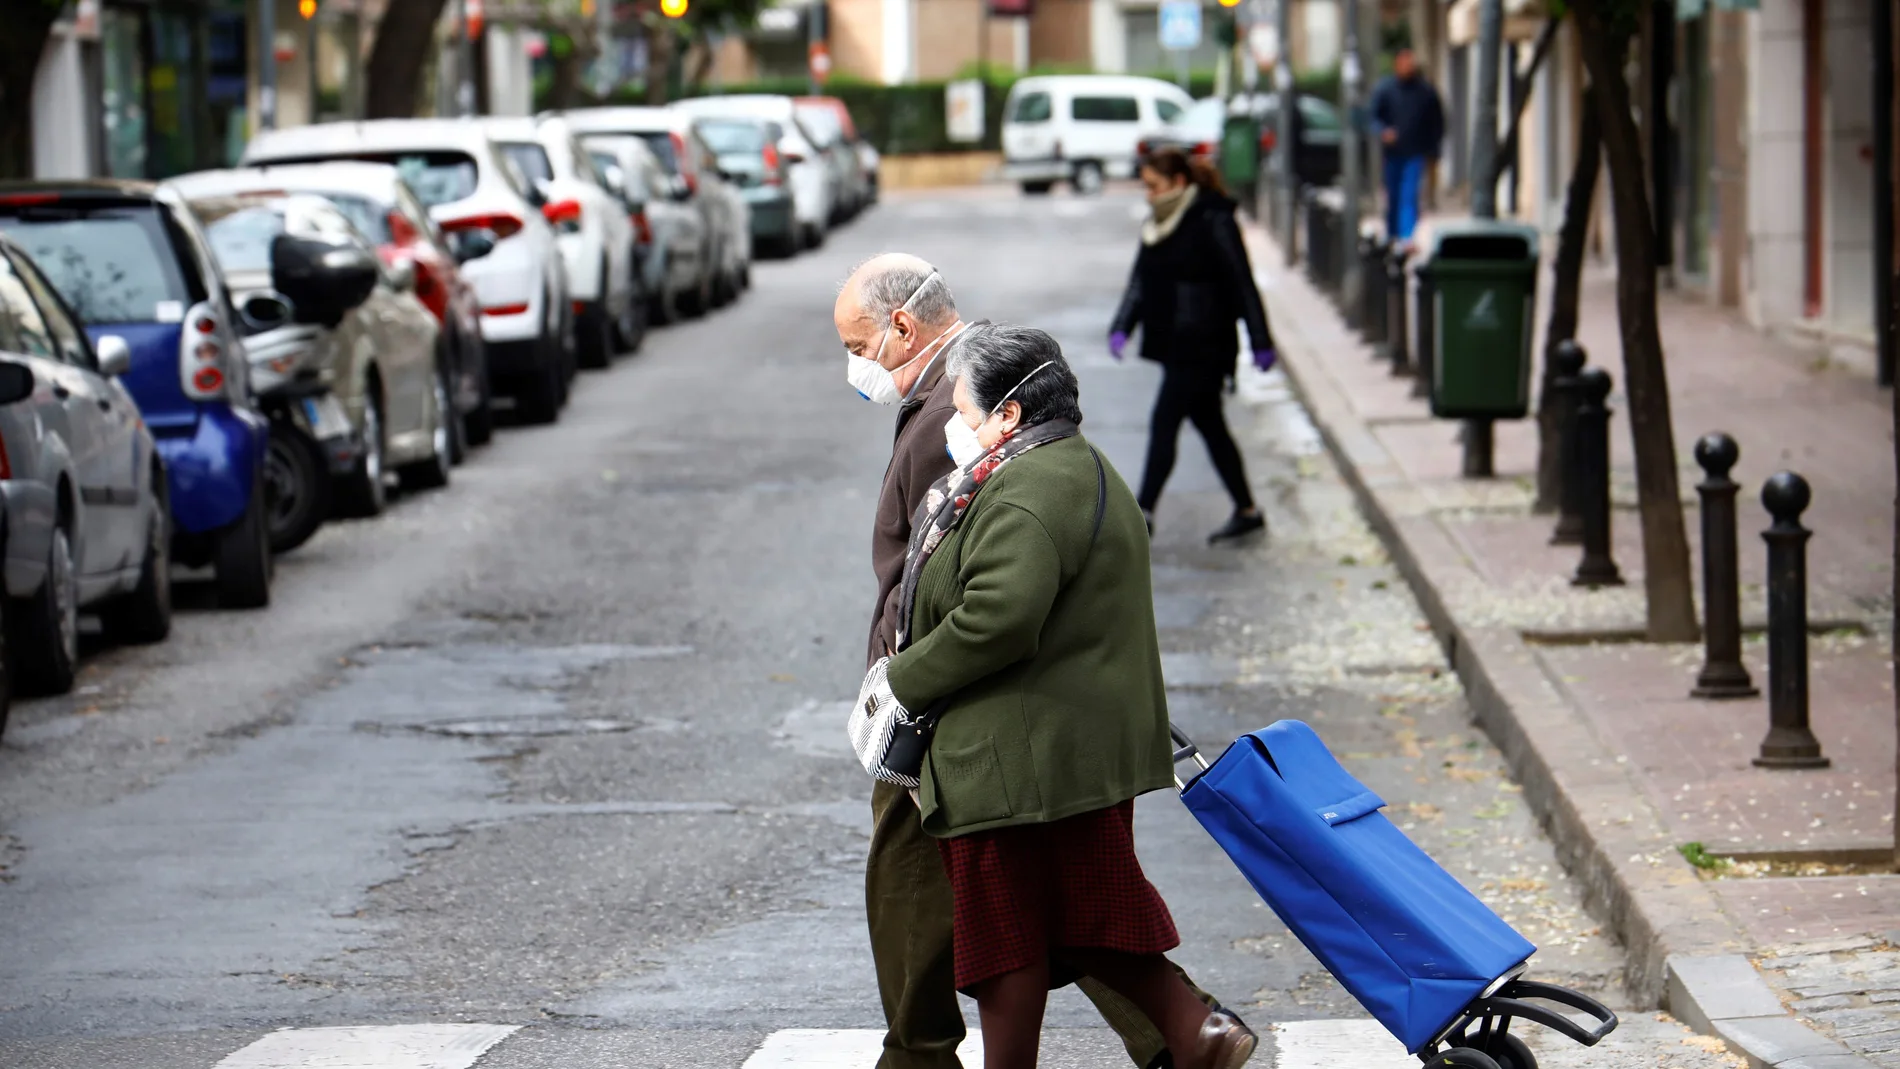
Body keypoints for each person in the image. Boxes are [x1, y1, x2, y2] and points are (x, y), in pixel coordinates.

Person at [835, 255, 1232, 1069]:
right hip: (1017, 733)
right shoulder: (1033, 455)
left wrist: (901, 678)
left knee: (1017, 925)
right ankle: (1187, 1033)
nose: (964, 424)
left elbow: (994, 613)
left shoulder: (1017, 472)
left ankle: (1181, 1033)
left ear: (1005, 415)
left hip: (999, 737)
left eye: (858, 343)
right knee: (1058, 918)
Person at [1109, 149, 1274, 544]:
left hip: (1205, 342)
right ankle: (1247, 509)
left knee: (1164, 421)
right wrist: (1122, 326)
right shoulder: (1159, 222)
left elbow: (1241, 282)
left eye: (1154, 186)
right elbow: (1140, 280)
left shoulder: (1213, 218)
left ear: (1179, 182)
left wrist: (1260, 340)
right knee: (1211, 426)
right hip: (1174, 341)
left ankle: (1142, 511)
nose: (1148, 195)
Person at [1368, 47, 1446, 250]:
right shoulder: (1385, 90)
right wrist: (1383, 132)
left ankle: (1406, 237)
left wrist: (1433, 150)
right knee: (1393, 195)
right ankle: (1392, 233)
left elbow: (1437, 122)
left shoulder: (1425, 91)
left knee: (1409, 195)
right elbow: (1373, 117)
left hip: (1415, 152)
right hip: (1393, 154)